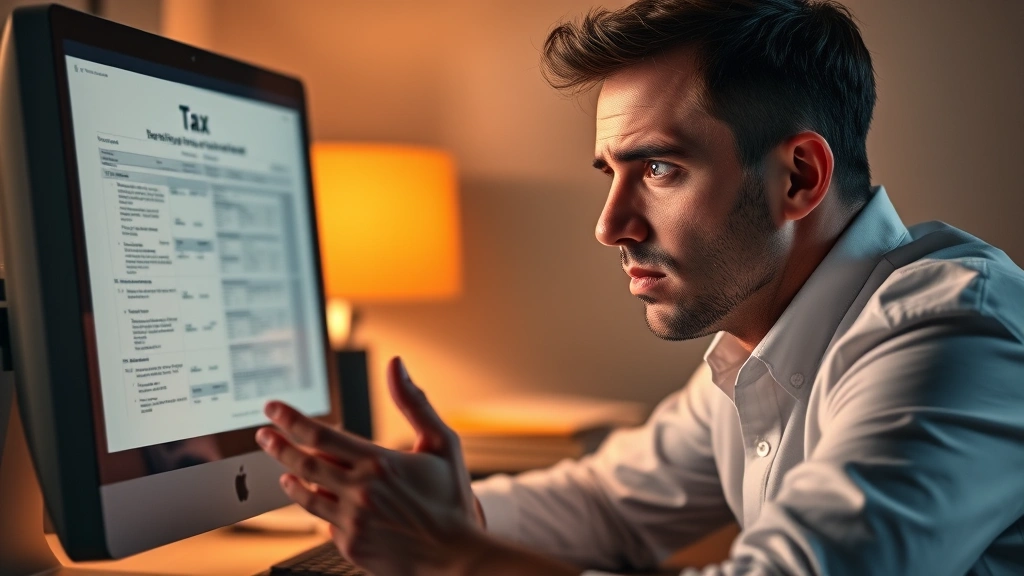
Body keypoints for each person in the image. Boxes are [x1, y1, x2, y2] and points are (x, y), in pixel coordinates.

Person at [256, 0, 1024, 574]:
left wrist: (450, 553)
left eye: (658, 168)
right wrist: (437, 507)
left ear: (799, 177)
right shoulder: (762, 344)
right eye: (610, 173)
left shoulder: (955, 332)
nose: (610, 225)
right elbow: (607, 505)